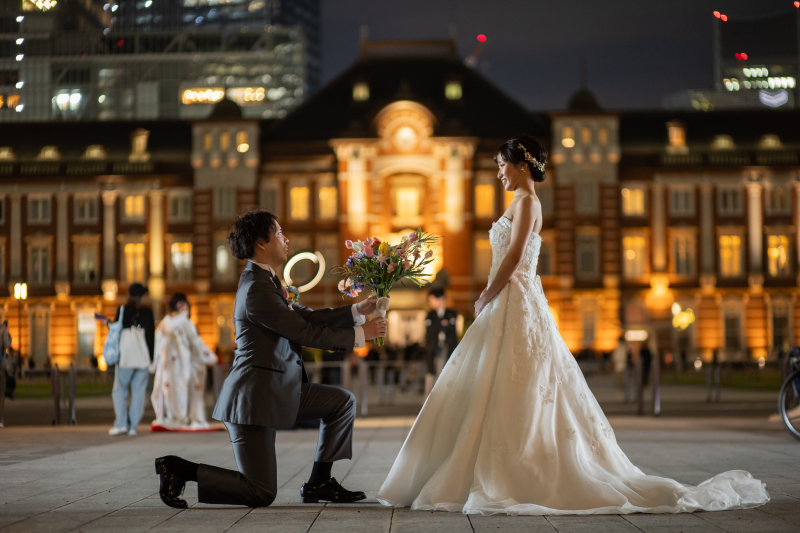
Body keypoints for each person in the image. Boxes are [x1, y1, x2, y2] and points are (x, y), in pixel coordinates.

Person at [377, 135, 769, 514]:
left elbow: (513, 258)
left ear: (520, 164)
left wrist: (484, 295)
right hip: (513, 300)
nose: (498, 173)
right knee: (497, 381)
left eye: (501, 165)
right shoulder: (520, 201)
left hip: (513, 297)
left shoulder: (527, 201)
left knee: (514, 381)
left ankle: (513, 466)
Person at [154, 209, 388, 509]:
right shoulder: (256, 289)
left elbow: (310, 317)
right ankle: (178, 469)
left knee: (342, 402)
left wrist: (358, 311)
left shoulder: (269, 283)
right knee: (260, 493)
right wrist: (361, 336)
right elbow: (304, 332)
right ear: (261, 243)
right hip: (252, 399)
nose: (286, 239)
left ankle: (319, 483)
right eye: (279, 233)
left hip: (278, 390)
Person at [150, 293, 218, 430]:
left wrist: (154, 364)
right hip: (182, 364)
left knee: (170, 391)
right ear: (181, 306)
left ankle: (173, 417)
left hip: (167, 365)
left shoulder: (164, 324)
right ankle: (186, 417)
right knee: (185, 390)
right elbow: (196, 342)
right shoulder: (185, 322)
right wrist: (210, 356)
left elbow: (157, 347)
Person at [109, 283, 155, 436]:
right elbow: (150, 337)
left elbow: (116, 330)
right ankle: (133, 426)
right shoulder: (148, 312)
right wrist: (151, 358)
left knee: (119, 390)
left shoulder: (123, 310)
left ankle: (121, 423)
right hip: (142, 357)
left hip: (126, 357)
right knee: (138, 392)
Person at [424, 289, 459, 397]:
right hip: (433, 349)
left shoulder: (452, 313)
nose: (431, 303)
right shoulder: (430, 314)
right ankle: (429, 399)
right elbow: (430, 329)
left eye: (432, 300)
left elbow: (451, 327)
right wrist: (443, 324)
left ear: (440, 299)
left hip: (448, 348)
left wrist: (439, 325)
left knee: (448, 373)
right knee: (432, 374)